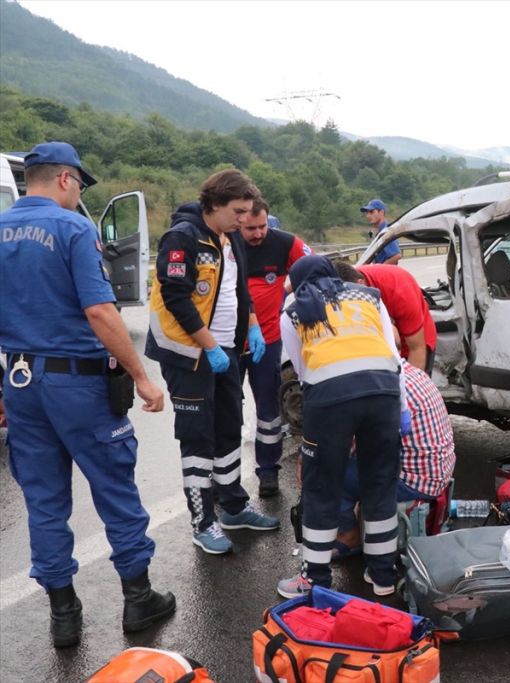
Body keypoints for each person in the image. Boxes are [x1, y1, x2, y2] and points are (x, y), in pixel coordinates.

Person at [0, 141, 175, 648]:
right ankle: (138, 600)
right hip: (76, 382)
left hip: (22, 382)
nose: (78, 195)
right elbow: (101, 312)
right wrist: (140, 375)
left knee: (44, 499)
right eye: (79, 185)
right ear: (64, 179)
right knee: (115, 488)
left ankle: (64, 616)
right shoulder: (73, 227)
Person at [146, 169, 279, 556]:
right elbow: (176, 297)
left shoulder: (230, 237)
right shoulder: (182, 238)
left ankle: (234, 506)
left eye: (247, 212)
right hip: (189, 356)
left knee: (229, 428)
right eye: (237, 211)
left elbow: (240, 287)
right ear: (215, 203)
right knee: (198, 438)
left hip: (227, 352)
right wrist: (209, 346)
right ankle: (203, 521)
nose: (243, 219)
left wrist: (250, 324)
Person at [276, 255, 408, 599]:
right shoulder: (370, 297)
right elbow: (393, 356)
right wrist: (402, 409)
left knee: (322, 488)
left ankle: (315, 580)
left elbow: (303, 372)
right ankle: (383, 577)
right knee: (380, 486)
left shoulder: (293, 311)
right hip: (384, 394)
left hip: (329, 397)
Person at [331, 357, 455, 559]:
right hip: (439, 471)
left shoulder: (380, 385)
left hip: (416, 481)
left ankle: (349, 536)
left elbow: (349, 444)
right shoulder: (412, 373)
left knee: (331, 474)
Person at [239, 197, 310, 497]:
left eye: (262, 226)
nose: (258, 233)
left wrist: (284, 290)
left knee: (269, 411)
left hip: (266, 342)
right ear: (237, 222)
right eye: (250, 228)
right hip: (226, 345)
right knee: (228, 412)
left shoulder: (285, 243)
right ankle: (223, 480)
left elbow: (313, 268)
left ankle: (268, 472)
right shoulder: (225, 243)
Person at [334, 261, 437, 374]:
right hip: (382, 347)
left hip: (413, 344)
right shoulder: (343, 288)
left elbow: (417, 349)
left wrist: (412, 385)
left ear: (361, 283)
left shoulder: (398, 290)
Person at [361, 198, 400, 265]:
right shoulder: (379, 231)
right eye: (367, 213)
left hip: (386, 274)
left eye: (371, 212)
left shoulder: (386, 231)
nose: (368, 216)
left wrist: (379, 271)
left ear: (381, 212)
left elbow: (396, 256)